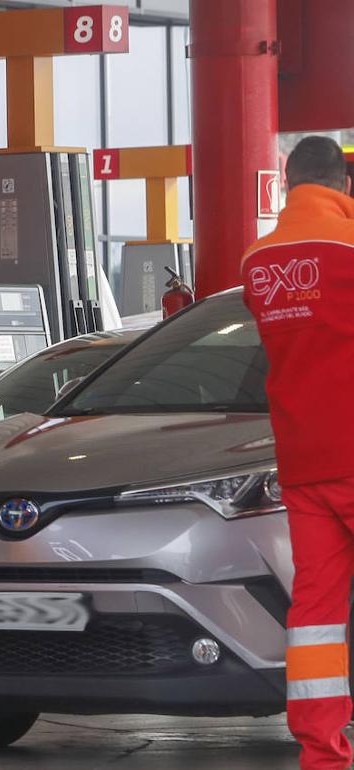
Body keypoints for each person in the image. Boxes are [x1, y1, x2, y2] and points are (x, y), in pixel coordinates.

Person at [242, 135, 354, 770]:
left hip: (304, 460)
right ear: (340, 185)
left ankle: (322, 753)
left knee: (315, 610)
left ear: (288, 185)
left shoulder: (256, 259)